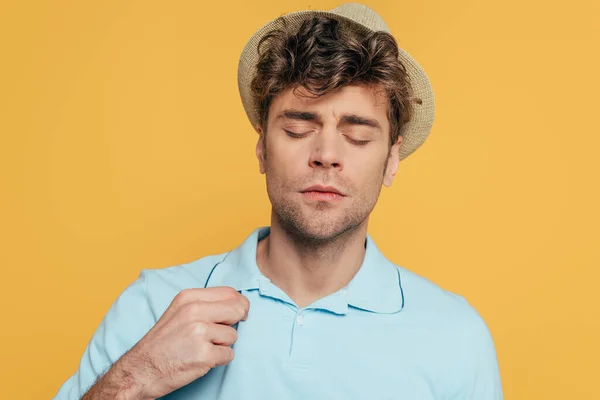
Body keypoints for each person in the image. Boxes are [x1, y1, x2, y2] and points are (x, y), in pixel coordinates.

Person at [54, 3, 503, 399]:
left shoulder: (455, 336)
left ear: (391, 160)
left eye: (358, 135)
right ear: (261, 148)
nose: (326, 155)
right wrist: (138, 376)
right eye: (297, 129)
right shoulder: (154, 305)